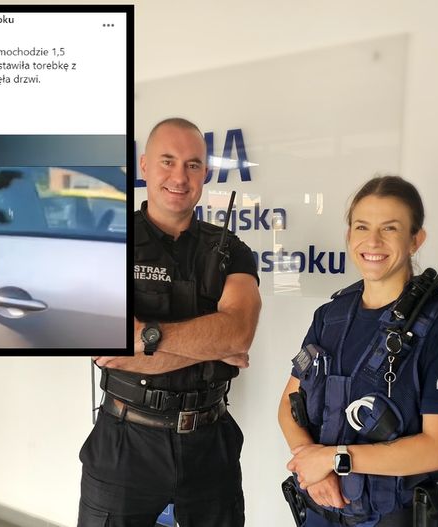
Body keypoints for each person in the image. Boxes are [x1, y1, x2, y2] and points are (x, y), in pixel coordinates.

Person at [81, 118, 261, 527]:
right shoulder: (106, 242)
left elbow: (238, 334)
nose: (180, 176)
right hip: (124, 441)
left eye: (192, 165)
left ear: (205, 173)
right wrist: (212, 347)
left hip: (209, 442)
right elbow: (109, 351)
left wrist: (145, 337)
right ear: (144, 165)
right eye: (168, 161)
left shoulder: (231, 250)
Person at [278, 175, 438, 526]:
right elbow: (287, 405)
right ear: (349, 235)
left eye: (390, 228)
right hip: (318, 509)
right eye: (362, 227)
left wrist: (333, 460)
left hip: (389, 517)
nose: (373, 241)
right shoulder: (330, 316)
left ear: (416, 240)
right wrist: (312, 466)